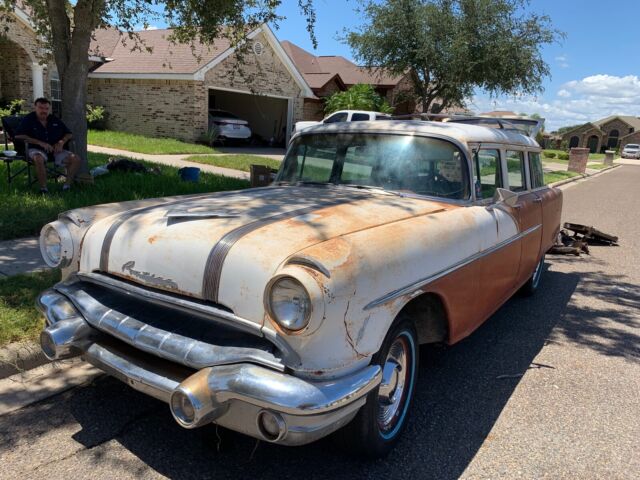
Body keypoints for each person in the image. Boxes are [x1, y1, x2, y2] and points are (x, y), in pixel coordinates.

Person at [15, 97, 81, 193]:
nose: (44, 111)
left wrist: (61, 142)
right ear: (35, 107)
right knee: (38, 158)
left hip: (55, 150)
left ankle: (67, 186)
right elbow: (18, 136)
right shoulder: (28, 119)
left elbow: (69, 133)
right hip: (36, 149)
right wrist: (40, 142)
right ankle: (44, 189)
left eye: (46, 108)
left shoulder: (54, 119)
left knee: (76, 159)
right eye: (41, 108)